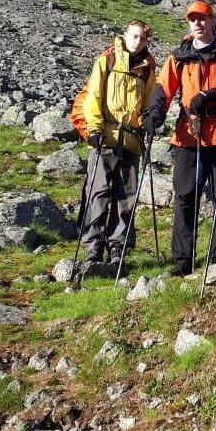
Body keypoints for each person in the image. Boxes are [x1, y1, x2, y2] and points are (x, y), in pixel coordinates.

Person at [144, 0, 216, 276]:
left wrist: (213, 95)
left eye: (202, 18)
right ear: (188, 24)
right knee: (184, 198)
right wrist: (155, 113)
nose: (198, 23)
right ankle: (182, 261)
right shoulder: (179, 56)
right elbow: (164, 88)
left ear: (212, 21)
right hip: (189, 136)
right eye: (193, 19)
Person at [81, 20, 156, 266]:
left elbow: (149, 100)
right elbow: (94, 95)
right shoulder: (107, 60)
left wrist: (149, 119)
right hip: (105, 139)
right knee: (98, 194)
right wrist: (94, 128)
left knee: (125, 198)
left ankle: (118, 247)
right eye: (135, 36)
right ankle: (94, 247)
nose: (138, 42)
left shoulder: (147, 68)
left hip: (132, 141)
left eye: (143, 39)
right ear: (125, 35)